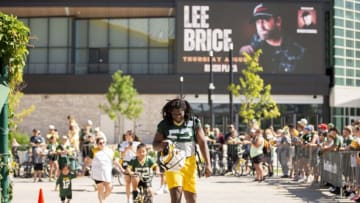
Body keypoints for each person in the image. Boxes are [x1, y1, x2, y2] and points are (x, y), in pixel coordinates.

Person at [152, 98, 212, 203]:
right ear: (170, 113)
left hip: (190, 162)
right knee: (176, 194)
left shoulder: (194, 122)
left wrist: (208, 164)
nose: (177, 116)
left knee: (192, 198)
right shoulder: (164, 124)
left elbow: (202, 143)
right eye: (174, 114)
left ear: (185, 111)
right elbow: (155, 145)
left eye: (180, 114)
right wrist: (162, 145)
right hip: (172, 163)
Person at [239, 3, 305, 73]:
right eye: (258, 22)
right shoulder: (254, 44)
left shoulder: (298, 53)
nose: (261, 27)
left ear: (278, 21)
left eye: (265, 20)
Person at [91, 137, 115, 203]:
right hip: (97, 173)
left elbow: (114, 160)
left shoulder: (109, 151)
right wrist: (84, 170)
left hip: (107, 173)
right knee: (100, 189)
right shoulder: (93, 151)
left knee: (110, 188)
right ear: (97, 144)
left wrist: (121, 169)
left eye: (103, 142)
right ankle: (101, 201)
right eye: (100, 143)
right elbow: (88, 160)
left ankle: (103, 196)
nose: (102, 144)